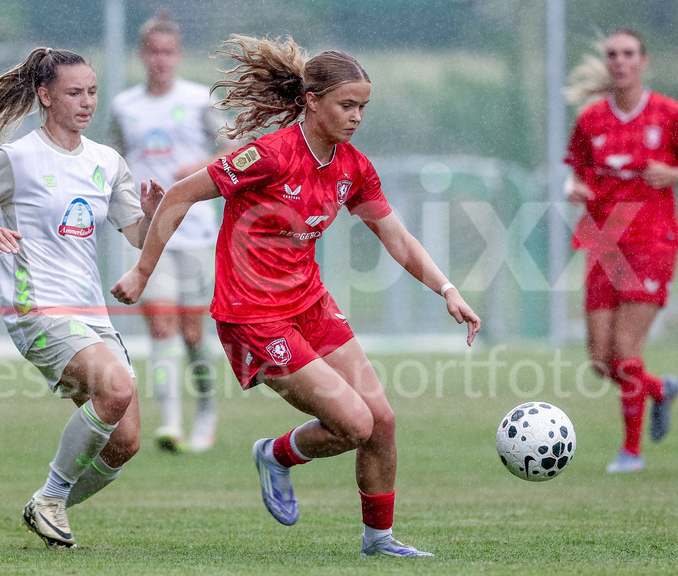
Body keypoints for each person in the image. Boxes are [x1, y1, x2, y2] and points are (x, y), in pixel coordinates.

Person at [112, 35, 480, 558]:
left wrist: (448, 289)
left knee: (383, 422)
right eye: (346, 105)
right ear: (312, 101)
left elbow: (396, 236)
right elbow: (180, 194)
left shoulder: (353, 166)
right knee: (354, 423)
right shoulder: (269, 155)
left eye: (362, 107)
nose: (356, 117)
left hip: (308, 305)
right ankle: (275, 456)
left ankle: (379, 541)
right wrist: (142, 272)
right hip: (252, 316)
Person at [0, 47, 164, 548]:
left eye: (91, 91)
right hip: (36, 307)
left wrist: (150, 215)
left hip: (91, 314)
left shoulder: (106, 161)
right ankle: (50, 496)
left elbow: (135, 235)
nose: (86, 102)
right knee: (116, 388)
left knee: (126, 442)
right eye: (73, 92)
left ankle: (49, 504)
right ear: (45, 96)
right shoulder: (18, 158)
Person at [564, 29, 678, 474]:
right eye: (612, 54)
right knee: (600, 360)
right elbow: (576, 172)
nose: (619, 61)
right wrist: (575, 187)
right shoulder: (591, 119)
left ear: (643, 61)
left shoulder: (668, 114)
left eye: (628, 53)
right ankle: (658, 389)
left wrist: (673, 173)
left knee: (627, 351)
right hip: (603, 241)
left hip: (652, 240)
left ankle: (631, 453)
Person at [108, 12, 239, 454]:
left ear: (177, 55)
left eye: (168, 52)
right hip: (150, 235)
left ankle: (206, 413)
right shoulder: (125, 106)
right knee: (160, 329)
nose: (160, 60)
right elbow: (114, 163)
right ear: (143, 55)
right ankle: (170, 424)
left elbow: (232, 150)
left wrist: (196, 169)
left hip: (197, 231)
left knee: (192, 334)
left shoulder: (200, 99)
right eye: (153, 51)